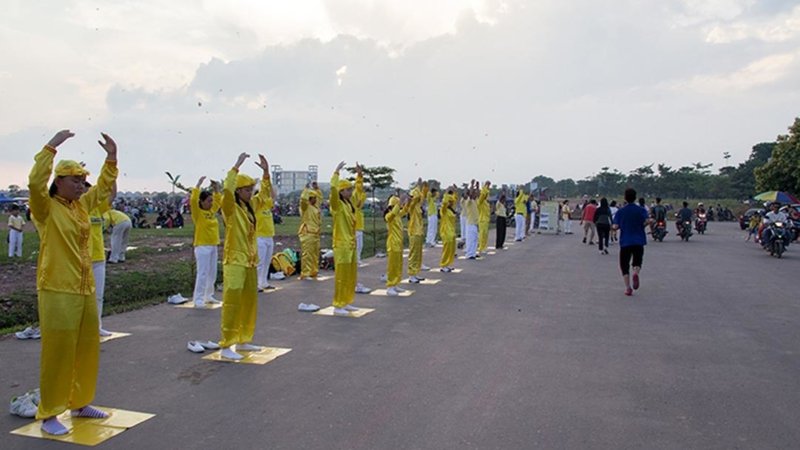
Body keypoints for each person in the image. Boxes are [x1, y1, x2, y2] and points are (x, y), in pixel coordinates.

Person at [29, 130, 118, 435]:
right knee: (58, 351)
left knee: (86, 347)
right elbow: (34, 183)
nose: (81, 185)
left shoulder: (82, 207)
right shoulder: (46, 208)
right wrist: (50, 147)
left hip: (83, 288)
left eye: (82, 180)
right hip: (57, 288)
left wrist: (111, 158)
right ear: (59, 182)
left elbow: (104, 188)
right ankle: (50, 413)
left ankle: (80, 402)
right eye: (75, 180)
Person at [218, 153, 271, 360]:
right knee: (232, 302)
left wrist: (266, 174)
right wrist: (236, 167)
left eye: (251, 189)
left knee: (250, 301)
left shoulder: (251, 207)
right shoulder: (230, 209)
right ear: (238, 191)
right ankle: (226, 344)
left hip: (250, 260)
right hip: (234, 260)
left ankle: (244, 339)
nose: (251, 193)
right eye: (247, 190)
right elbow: (227, 191)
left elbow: (265, 197)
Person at [190, 177, 222, 308]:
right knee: (202, 273)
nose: (211, 203)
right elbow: (193, 200)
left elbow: (218, 200)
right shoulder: (198, 213)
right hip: (202, 246)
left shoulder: (211, 212)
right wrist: (198, 185)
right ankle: (198, 299)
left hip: (213, 244)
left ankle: (209, 295)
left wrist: (216, 189)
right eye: (208, 201)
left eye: (211, 201)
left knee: (212, 272)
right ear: (201, 202)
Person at [613, 188, 649, 296]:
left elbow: (615, 226)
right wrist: (642, 226)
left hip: (625, 241)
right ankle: (635, 273)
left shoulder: (621, 211)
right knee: (637, 261)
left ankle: (628, 288)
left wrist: (615, 228)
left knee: (624, 264)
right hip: (639, 240)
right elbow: (647, 221)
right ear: (635, 197)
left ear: (625, 198)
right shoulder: (641, 210)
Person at [88, 183, 112, 336]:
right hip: (81, 258)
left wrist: (113, 177)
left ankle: (97, 326)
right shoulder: (77, 209)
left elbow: (112, 195)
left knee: (98, 295)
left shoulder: (97, 209)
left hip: (98, 257)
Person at [384, 194, 411, 296]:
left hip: (399, 244)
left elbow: (404, 211)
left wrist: (407, 202)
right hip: (393, 244)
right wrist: (399, 203)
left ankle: (395, 284)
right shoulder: (389, 216)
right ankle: (390, 286)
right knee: (392, 266)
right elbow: (393, 213)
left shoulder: (397, 216)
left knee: (398, 266)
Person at [255, 172, 277, 292]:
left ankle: (264, 282)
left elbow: (273, 196)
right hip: (260, 237)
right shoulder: (256, 205)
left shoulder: (267, 205)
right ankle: (257, 283)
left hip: (269, 237)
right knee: (260, 262)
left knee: (267, 262)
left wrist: (270, 185)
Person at [352, 163, 371, 294]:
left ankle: (357, 259)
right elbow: (358, 186)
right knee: (357, 246)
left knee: (360, 246)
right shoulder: (355, 195)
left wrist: (360, 175)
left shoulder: (358, 195)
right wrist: (359, 175)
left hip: (358, 224)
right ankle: (356, 260)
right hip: (355, 225)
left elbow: (359, 186)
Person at [406, 179, 429, 283]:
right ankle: (411, 274)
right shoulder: (411, 207)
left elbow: (422, 197)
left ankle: (416, 272)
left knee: (418, 253)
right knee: (413, 253)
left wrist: (424, 187)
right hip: (414, 232)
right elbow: (417, 198)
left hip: (419, 231)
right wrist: (417, 187)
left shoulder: (418, 207)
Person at [298, 184, 321, 280]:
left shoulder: (315, 207)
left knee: (315, 254)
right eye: (314, 198)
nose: (316, 199)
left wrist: (316, 188)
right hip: (308, 233)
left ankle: (313, 271)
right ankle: (305, 273)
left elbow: (320, 198)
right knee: (307, 254)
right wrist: (306, 190)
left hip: (316, 234)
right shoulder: (305, 207)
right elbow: (303, 200)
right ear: (310, 198)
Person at [438, 185, 458, 272]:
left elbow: (455, 199)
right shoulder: (443, 210)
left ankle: (448, 263)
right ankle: (443, 265)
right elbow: (445, 203)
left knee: (451, 249)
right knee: (446, 249)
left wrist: (454, 191)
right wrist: (446, 193)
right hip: (446, 232)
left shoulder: (451, 210)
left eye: (451, 201)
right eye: (449, 201)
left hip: (452, 232)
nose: (451, 203)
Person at [463, 180, 480, 259]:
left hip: (475, 223)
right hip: (470, 223)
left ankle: (473, 253)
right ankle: (469, 254)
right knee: (470, 239)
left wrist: (477, 187)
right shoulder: (468, 202)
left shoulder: (474, 201)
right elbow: (470, 193)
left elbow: (477, 194)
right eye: (473, 194)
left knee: (475, 239)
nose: (474, 194)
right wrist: (472, 185)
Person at [477, 181, 491, 254]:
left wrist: (487, 188)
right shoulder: (480, 202)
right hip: (482, 220)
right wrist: (486, 186)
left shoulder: (486, 202)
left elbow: (485, 194)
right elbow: (482, 195)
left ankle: (484, 247)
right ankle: (481, 248)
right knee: (482, 234)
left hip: (486, 220)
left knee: (485, 235)